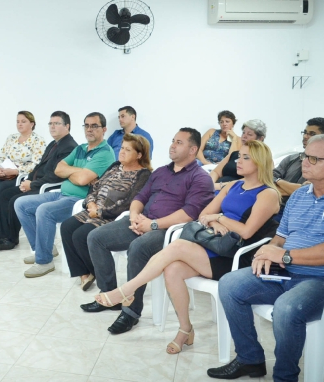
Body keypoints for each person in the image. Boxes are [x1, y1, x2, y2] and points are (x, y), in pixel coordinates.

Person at [207, 135, 324, 382]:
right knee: (229, 284)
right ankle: (250, 358)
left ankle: (285, 381)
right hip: (288, 273)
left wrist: (285, 256)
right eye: (304, 156)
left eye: (313, 158)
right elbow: (282, 237)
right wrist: (268, 252)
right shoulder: (300, 195)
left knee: (287, 308)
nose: (304, 163)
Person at [95, 140, 279, 353]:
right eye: (239, 156)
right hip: (214, 246)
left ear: (260, 162)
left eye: (246, 157)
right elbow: (203, 215)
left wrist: (219, 217)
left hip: (235, 257)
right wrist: (214, 221)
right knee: (172, 269)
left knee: (179, 246)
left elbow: (246, 232)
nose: (238, 161)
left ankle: (128, 290)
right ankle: (185, 329)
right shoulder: (233, 186)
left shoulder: (267, 194)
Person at [83, 128, 214, 335]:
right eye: (173, 140)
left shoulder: (200, 178)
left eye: (179, 142)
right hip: (141, 221)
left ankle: (130, 312)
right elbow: (140, 198)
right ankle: (110, 294)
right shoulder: (160, 172)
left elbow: (189, 214)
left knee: (138, 248)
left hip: (168, 231)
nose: (172, 145)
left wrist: (153, 225)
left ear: (193, 149)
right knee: (96, 237)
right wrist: (135, 216)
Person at [15, 112, 115, 278]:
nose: (89, 129)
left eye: (94, 126)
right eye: (86, 125)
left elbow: (82, 180)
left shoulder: (105, 153)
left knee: (44, 211)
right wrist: (81, 171)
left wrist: (73, 173)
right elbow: (58, 169)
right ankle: (41, 249)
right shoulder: (80, 148)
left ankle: (44, 261)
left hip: (80, 200)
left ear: (104, 129)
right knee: (21, 204)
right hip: (61, 193)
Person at [61, 134, 152, 291]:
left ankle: (102, 280)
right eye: (122, 148)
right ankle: (85, 272)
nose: (121, 152)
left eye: (127, 150)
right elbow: (95, 186)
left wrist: (100, 212)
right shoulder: (115, 166)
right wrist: (90, 202)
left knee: (80, 235)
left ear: (139, 155)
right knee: (66, 227)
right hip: (94, 210)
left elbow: (130, 203)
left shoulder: (143, 174)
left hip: (112, 217)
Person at [0, 111, 77, 251]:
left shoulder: (69, 146)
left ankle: (10, 239)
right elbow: (38, 166)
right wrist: (27, 181)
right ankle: (3, 237)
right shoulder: (53, 144)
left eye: (57, 123)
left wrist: (32, 184)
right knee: (4, 194)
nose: (52, 127)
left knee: (14, 199)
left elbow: (56, 175)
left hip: (47, 187)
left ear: (67, 126)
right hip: (36, 183)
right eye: (50, 123)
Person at [0, 111, 46, 239]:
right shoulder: (11, 138)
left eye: (23, 121)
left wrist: (16, 171)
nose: (19, 124)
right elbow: (1, 156)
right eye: (17, 121)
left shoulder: (38, 140)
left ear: (32, 124)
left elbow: (37, 164)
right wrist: (0, 168)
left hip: (22, 176)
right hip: (6, 174)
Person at [273, 117, 324, 212]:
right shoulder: (291, 159)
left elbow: (307, 193)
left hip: (303, 212)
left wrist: (278, 182)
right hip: (274, 208)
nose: (305, 136)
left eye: (312, 134)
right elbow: (269, 179)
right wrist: (293, 188)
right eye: (305, 132)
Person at [210, 119, 266, 189]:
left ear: (260, 139)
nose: (244, 136)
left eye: (249, 134)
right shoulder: (235, 154)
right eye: (243, 132)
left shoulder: (263, 158)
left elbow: (252, 180)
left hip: (233, 191)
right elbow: (215, 172)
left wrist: (220, 186)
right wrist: (210, 184)